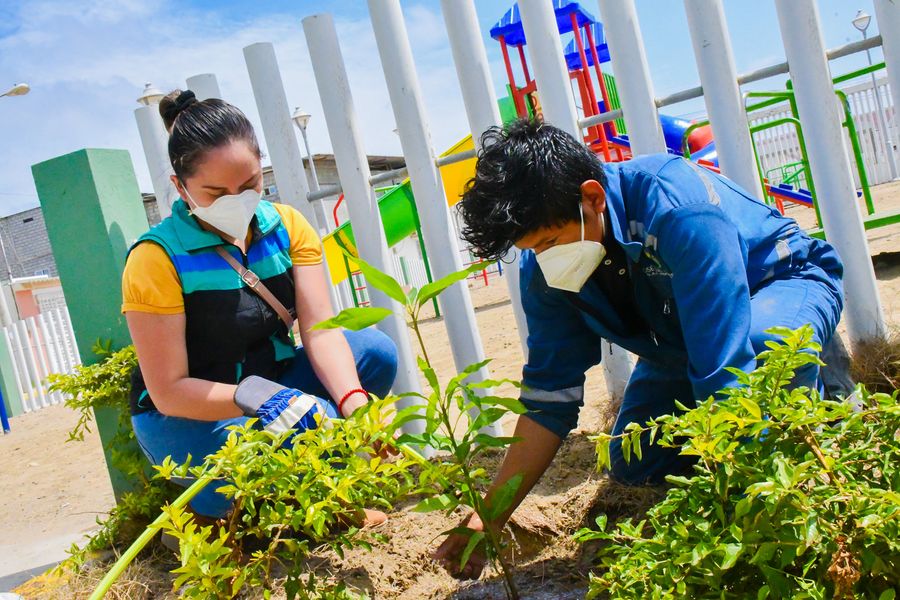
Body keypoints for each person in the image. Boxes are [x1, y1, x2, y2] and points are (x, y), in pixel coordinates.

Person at [434, 119, 844, 578]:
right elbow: (548, 399)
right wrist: (489, 515)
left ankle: (823, 409)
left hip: (778, 285)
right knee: (634, 464)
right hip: (684, 340)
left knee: (762, 346)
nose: (545, 258)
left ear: (592, 198)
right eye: (533, 249)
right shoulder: (547, 271)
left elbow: (725, 370)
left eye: (549, 242)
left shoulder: (676, 209)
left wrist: (748, 508)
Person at [122, 90, 398, 521]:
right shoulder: (155, 259)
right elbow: (168, 391)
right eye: (216, 193)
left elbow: (321, 331)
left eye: (249, 185)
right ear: (181, 188)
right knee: (290, 433)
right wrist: (261, 398)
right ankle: (242, 510)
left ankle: (300, 496)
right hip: (187, 416)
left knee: (373, 354)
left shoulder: (287, 227)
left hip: (271, 382)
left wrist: (354, 404)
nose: (238, 202)